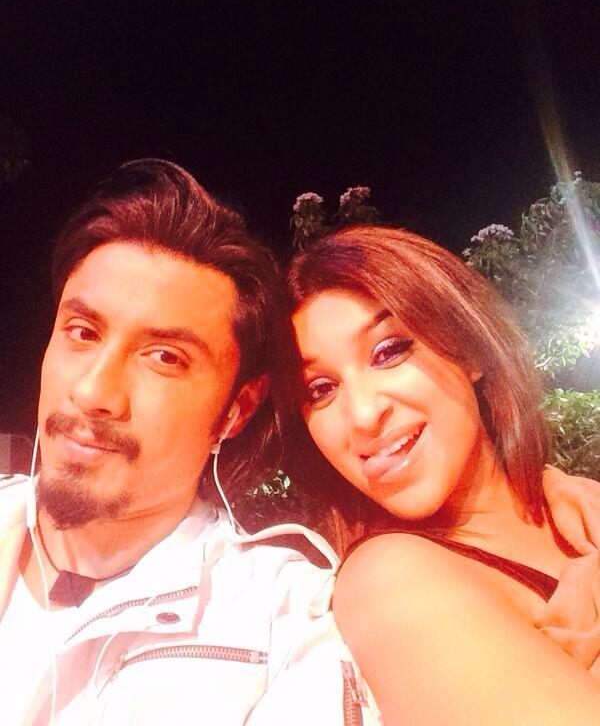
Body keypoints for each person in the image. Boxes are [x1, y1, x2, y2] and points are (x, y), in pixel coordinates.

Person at [0, 160, 379, 725]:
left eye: (164, 357)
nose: (93, 391)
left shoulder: (284, 628)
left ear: (235, 411)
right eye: (82, 332)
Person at [286, 224, 600, 726]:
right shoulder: (388, 582)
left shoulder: (581, 503)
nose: (363, 415)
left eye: (388, 351)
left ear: (467, 349)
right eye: (320, 389)